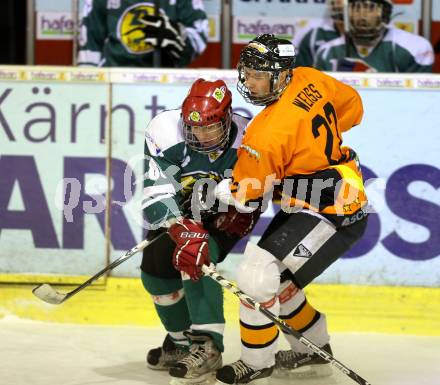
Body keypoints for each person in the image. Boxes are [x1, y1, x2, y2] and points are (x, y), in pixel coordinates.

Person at [210, 34, 369, 385]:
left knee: (255, 275)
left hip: (332, 209)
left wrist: (223, 188)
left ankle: (256, 362)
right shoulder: (311, 77)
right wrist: (308, 143)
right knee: (277, 282)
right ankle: (313, 351)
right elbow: (353, 107)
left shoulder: (265, 132)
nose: (249, 81)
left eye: (258, 75)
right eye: (247, 72)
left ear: (281, 76)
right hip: (332, 192)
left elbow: (246, 197)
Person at [140, 78, 258, 384]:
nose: (201, 136)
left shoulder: (252, 136)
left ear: (228, 118)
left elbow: (260, 187)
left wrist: (242, 203)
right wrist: (178, 223)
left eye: (210, 128)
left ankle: (206, 346)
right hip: (181, 211)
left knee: (194, 257)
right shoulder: (163, 130)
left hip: (226, 214)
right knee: (153, 270)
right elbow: (155, 188)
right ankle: (181, 344)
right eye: (193, 128)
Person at [77, 0, 208, 67]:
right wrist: (90, 86)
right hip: (114, 78)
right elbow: (90, 45)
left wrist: (177, 37)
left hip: (164, 81)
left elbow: (199, 34)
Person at [315, 0, 434, 72]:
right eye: (356, 8)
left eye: (370, 8)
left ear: (385, 13)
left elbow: (418, 100)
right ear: (346, 13)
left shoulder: (414, 48)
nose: (363, 15)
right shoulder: (327, 52)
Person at [293, 0, 345, 67]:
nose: (337, 3)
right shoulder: (313, 31)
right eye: (333, 2)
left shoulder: (361, 36)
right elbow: (300, 70)